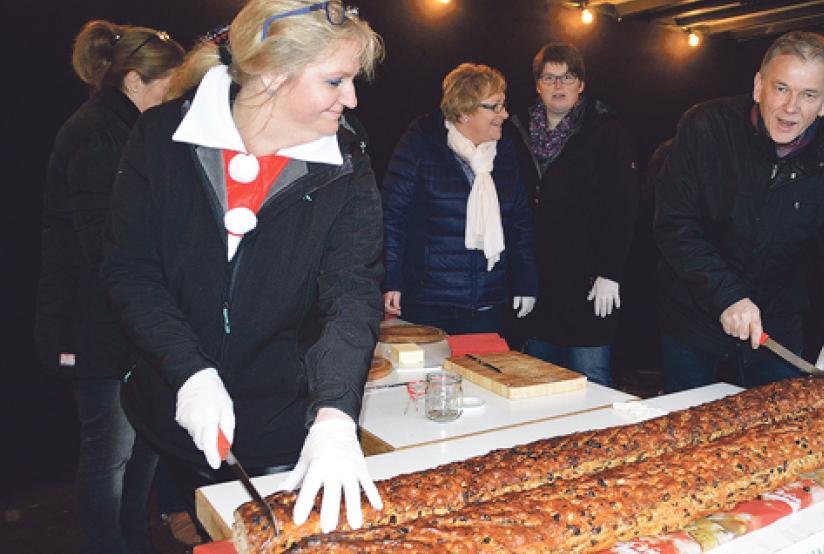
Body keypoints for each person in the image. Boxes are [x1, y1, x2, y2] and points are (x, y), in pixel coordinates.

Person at [103, 0, 385, 534]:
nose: (349, 98)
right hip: (175, 406)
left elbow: (352, 294)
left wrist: (334, 416)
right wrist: (189, 372)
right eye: (334, 81)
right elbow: (132, 272)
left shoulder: (348, 163)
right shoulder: (162, 139)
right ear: (273, 74)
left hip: (281, 421)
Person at [652, 31, 824, 399]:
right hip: (694, 320)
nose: (790, 108)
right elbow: (674, 225)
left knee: (779, 436)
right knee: (689, 444)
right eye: (781, 88)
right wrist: (726, 295)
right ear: (758, 86)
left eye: (808, 95)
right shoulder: (705, 127)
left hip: (778, 326)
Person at [35, 19, 184, 553]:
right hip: (94, 324)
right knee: (110, 453)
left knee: (143, 443)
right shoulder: (95, 134)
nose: (176, 97)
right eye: (169, 85)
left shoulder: (132, 131)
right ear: (134, 83)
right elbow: (106, 244)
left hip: (128, 321)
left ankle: (130, 541)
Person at [510, 42, 639, 387]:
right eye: (549, 78)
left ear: (581, 84)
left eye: (567, 77)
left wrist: (610, 272)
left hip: (589, 286)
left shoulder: (606, 132)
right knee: (538, 382)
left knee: (592, 379)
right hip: (538, 285)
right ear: (537, 85)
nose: (558, 86)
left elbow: (624, 206)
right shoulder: (516, 130)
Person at [382, 63, 538, 335]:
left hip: (486, 303)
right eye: (495, 106)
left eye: (503, 105)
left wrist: (526, 281)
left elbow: (520, 222)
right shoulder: (420, 143)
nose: (505, 114)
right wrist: (391, 279)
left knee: (480, 377)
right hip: (428, 300)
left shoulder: (506, 152)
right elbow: (393, 216)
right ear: (464, 112)